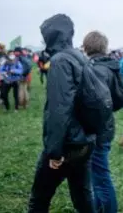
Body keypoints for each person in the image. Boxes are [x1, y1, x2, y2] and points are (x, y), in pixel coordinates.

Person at [28, 14, 96, 213]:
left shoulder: (59, 61)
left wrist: (54, 151)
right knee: (82, 197)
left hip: (68, 144)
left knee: (39, 198)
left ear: (51, 36)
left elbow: (59, 109)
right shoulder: (78, 56)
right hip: (84, 140)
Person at [83, 31, 123, 213]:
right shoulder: (111, 67)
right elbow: (119, 99)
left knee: (100, 177)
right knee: (98, 175)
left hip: (96, 130)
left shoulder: (95, 69)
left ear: (86, 48)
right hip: (106, 126)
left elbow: (94, 103)